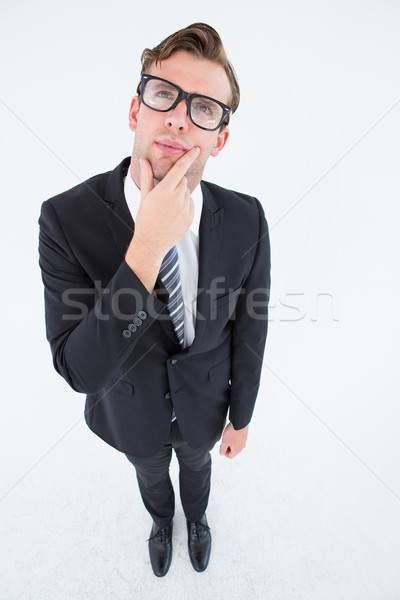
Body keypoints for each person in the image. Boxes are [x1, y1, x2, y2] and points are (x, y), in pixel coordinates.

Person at [38, 22, 271, 577]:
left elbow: (251, 327)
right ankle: (161, 521)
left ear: (220, 138)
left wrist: (241, 416)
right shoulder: (64, 219)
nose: (179, 116)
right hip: (129, 411)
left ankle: (197, 518)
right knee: (150, 475)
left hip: (207, 407)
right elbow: (78, 368)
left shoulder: (246, 217)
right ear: (135, 110)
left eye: (204, 109)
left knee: (196, 471)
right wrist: (145, 247)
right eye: (165, 94)